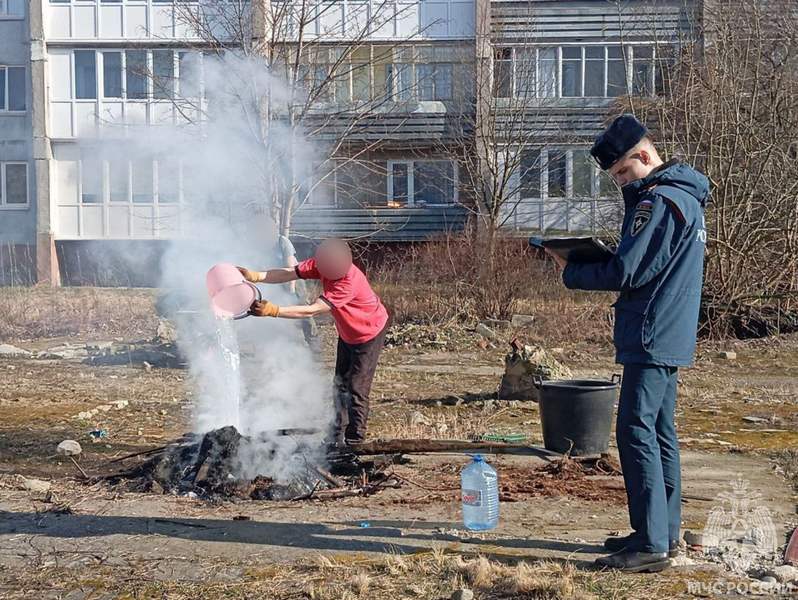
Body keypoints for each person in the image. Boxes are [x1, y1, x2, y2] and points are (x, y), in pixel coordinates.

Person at [547, 114, 709, 573]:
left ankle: (651, 542)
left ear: (644, 154)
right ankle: (662, 532)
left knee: (635, 429)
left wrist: (571, 268)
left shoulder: (658, 202)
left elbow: (627, 270)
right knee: (658, 430)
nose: (621, 181)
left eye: (623, 171)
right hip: (668, 329)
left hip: (650, 330)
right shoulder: (685, 199)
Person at [237, 238, 390, 446]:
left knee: (356, 388)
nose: (319, 268)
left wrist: (273, 310)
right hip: (349, 333)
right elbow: (289, 273)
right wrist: (256, 276)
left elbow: (311, 310)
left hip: (369, 333)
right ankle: (335, 436)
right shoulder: (324, 264)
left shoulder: (347, 283)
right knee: (340, 384)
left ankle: (355, 441)